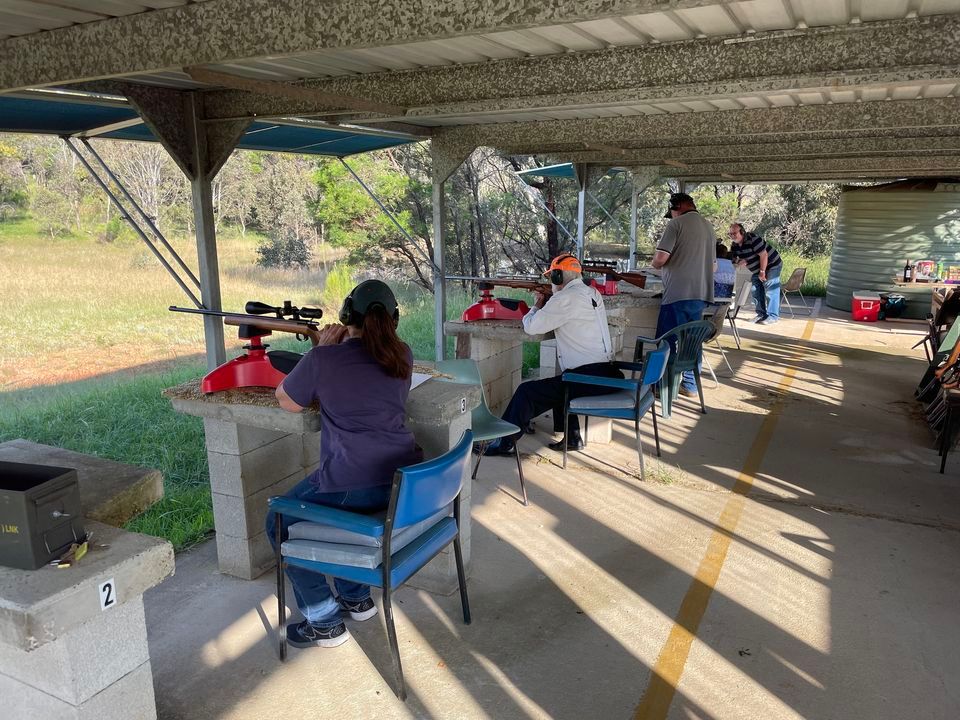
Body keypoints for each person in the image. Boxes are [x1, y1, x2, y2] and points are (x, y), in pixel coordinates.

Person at [266, 279, 422, 649]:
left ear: (346, 315)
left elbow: (286, 400)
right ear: (394, 318)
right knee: (332, 512)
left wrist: (321, 350)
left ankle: (323, 619)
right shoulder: (404, 355)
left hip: (351, 483)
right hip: (399, 482)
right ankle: (356, 598)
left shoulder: (324, 359)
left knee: (278, 521)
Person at [483, 253, 622, 456]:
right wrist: (553, 298)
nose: (551, 281)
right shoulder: (591, 292)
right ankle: (572, 437)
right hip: (608, 373)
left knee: (527, 392)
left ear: (558, 276)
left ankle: (503, 443)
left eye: (552, 276)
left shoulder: (565, 298)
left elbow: (532, 327)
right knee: (561, 381)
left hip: (588, 378)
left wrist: (537, 306)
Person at [650, 192, 716, 396]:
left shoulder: (676, 224)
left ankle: (662, 386)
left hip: (677, 293)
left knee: (666, 341)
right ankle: (690, 385)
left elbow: (661, 258)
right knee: (691, 341)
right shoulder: (709, 227)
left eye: (671, 212)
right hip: (701, 293)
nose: (671, 216)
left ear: (677, 207)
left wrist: (654, 264)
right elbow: (713, 267)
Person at [728, 222, 783, 325]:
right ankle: (761, 314)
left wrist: (762, 272)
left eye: (734, 233)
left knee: (771, 288)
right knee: (755, 290)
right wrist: (740, 261)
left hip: (772, 264)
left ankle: (773, 316)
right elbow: (733, 259)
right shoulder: (734, 246)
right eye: (730, 234)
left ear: (742, 232)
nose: (732, 236)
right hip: (757, 269)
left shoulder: (753, 239)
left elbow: (764, 255)